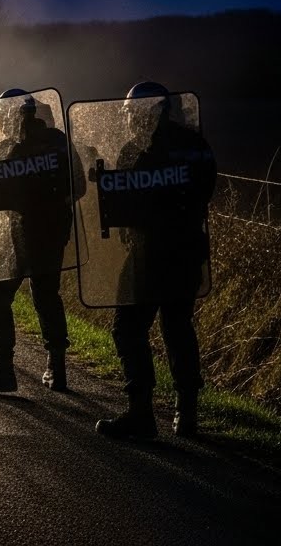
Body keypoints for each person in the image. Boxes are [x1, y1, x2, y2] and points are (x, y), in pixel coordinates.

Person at [96, 81, 216, 439]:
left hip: (152, 255)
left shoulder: (138, 151)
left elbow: (131, 206)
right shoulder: (194, 146)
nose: (130, 119)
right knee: (177, 327)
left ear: (152, 111)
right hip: (184, 250)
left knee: (128, 327)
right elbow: (203, 191)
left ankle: (141, 412)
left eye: (135, 112)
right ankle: (186, 413)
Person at [0, 88, 75, 395]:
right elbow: (76, 185)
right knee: (46, 296)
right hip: (52, 232)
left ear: (16, 116)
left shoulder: (8, 148)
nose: (0, 123)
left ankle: (3, 370)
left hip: (23, 232)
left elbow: (2, 196)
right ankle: (57, 368)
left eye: (2, 116)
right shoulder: (57, 142)